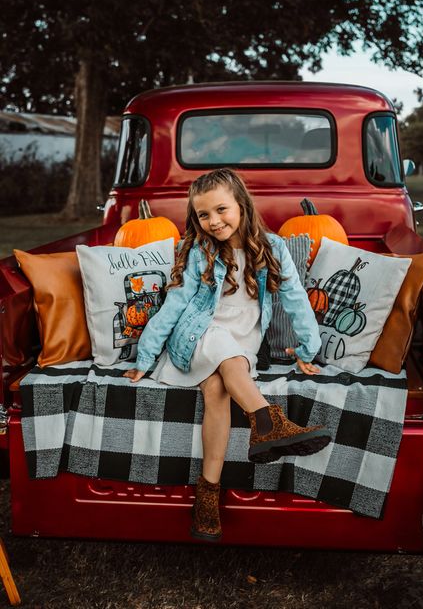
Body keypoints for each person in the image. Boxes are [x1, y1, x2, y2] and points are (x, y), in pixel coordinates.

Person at [124, 168, 331, 542]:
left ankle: (208, 492)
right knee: (225, 355)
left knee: (218, 389)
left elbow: (296, 299)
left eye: (221, 210)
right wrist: (145, 357)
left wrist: (307, 348)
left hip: (243, 341)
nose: (213, 221)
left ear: (241, 205)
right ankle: (269, 423)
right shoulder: (200, 251)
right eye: (204, 215)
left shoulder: (272, 248)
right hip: (198, 335)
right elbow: (175, 305)